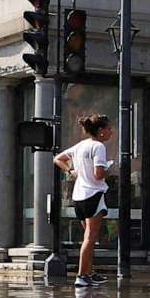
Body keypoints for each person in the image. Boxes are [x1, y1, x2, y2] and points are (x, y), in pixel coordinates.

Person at [53, 112, 113, 288]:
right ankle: (81, 275)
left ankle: (88, 272)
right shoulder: (98, 147)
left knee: (88, 236)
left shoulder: (80, 145)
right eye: (109, 129)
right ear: (101, 131)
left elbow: (58, 159)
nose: (111, 132)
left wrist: (71, 170)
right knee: (90, 237)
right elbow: (98, 174)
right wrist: (109, 168)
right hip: (93, 194)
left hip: (79, 196)